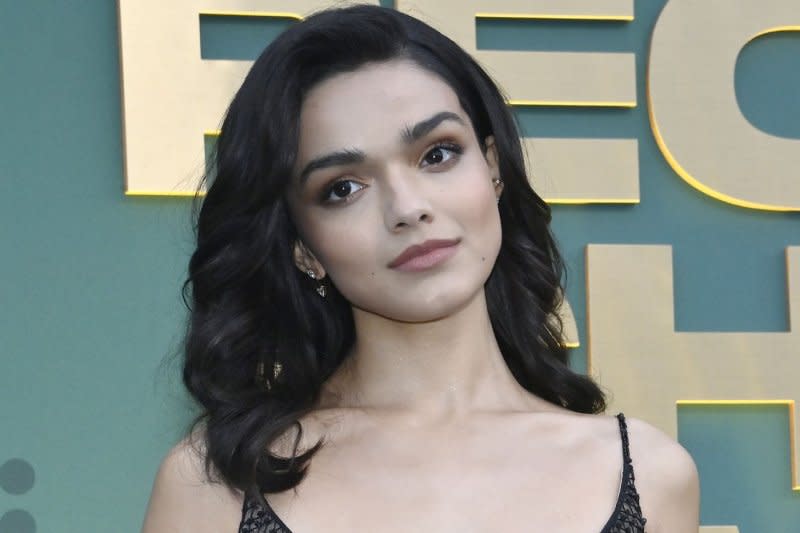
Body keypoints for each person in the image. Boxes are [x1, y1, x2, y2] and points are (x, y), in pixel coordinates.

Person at [141, 4, 699, 532]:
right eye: (343, 188)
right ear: (301, 246)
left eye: (437, 154)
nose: (408, 208)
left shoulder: (649, 475)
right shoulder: (216, 486)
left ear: (493, 168)